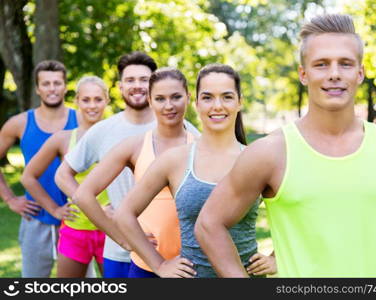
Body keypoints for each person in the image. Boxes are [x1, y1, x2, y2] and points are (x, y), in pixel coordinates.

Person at [194, 14, 376, 278]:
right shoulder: (270, 153)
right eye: (321, 64)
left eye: (345, 64)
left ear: (360, 73)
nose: (334, 74)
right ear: (303, 73)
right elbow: (209, 224)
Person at [115, 63, 276, 278]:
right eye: (208, 97)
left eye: (227, 97)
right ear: (197, 103)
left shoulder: (257, 158)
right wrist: (159, 265)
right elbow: (125, 213)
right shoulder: (176, 159)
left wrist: (276, 257)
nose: (217, 106)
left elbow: (300, 212)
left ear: (239, 102)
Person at [55, 51, 199, 278]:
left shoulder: (188, 131)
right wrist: (119, 233)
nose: (137, 85)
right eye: (130, 80)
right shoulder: (103, 130)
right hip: (120, 252)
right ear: (120, 87)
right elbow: (64, 176)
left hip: (178, 252)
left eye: (144, 79)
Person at [21, 76, 110, 277]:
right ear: (77, 101)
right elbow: (28, 177)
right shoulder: (63, 139)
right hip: (76, 229)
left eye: (98, 99)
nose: (92, 106)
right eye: (86, 100)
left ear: (107, 101)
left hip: (112, 230)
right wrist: (54, 209)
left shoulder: (119, 136)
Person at [0, 60, 78, 277]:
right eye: (46, 84)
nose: (52, 88)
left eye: (57, 83)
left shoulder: (81, 121)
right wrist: (10, 199)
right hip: (36, 218)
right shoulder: (19, 123)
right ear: (37, 88)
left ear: (65, 86)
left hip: (77, 219)